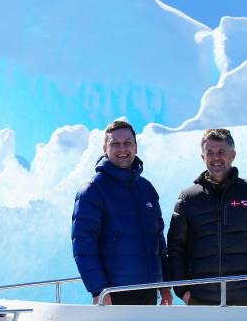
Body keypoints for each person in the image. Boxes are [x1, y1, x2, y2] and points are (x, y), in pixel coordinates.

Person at [167, 128, 247, 306]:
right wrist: (183, 292)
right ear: (202, 157)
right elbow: (176, 247)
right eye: (210, 153)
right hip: (200, 299)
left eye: (221, 152)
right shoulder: (188, 198)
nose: (215, 158)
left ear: (233, 155)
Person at [72, 120, 172, 305]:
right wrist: (99, 290)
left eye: (127, 143)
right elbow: (83, 245)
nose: (122, 148)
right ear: (105, 148)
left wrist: (164, 283)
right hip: (114, 293)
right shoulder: (93, 189)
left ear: (135, 146)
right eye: (115, 144)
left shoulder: (146, 189)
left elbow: (158, 239)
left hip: (149, 291)